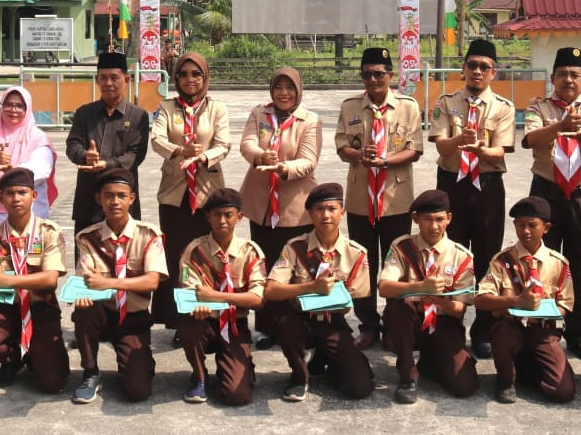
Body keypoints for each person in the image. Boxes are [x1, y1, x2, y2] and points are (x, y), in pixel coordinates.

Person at [428, 38, 516, 357]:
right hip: (452, 183)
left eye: (484, 67)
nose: (477, 71)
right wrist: (457, 142)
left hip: (488, 185)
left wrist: (480, 149)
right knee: (449, 255)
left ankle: (482, 329)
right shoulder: (446, 102)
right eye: (472, 65)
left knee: (486, 256)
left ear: (494, 73)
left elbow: (501, 150)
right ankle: (449, 325)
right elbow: (440, 145)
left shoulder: (504, 107)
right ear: (463, 69)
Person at [521, 45, 581, 362]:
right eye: (562, 74)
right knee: (541, 260)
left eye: (574, 74)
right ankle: (541, 330)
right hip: (546, 192)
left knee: (578, 264)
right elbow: (531, 139)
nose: (568, 80)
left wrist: (580, 132)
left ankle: (577, 335)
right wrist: (560, 126)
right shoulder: (538, 106)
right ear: (553, 79)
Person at [334, 46, 422, 350]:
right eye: (367, 74)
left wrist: (386, 160)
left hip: (396, 198)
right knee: (364, 263)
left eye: (379, 73)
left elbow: (415, 149)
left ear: (391, 75)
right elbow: (342, 147)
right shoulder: (350, 107)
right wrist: (360, 154)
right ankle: (369, 324)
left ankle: (397, 322)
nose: (373, 79)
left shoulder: (408, 106)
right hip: (361, 198)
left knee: (397, 262)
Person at [265, 183, 374, 403]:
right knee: (286, 325)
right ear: (310, 213)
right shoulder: (295, 247)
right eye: (319, 209)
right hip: (300, 320)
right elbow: (271, 291)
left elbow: (356, 297)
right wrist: (311, 287)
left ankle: (325, 360)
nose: (325, 215)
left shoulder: (356, 253)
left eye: (332, 209)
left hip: (333, 321)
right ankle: (298, 376)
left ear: (342, 213)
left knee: (360, 387)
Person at [237, 67, 320, 349]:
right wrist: (262, 155)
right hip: (261, 203)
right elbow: (246, 144)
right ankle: (266, 327)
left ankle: (299, 326)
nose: (284, 93)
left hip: (295, 205)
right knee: (265, 264)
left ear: (299, 90)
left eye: (290, 87)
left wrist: (283, 167)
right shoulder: (259, 114)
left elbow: (309, 159)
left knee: (297, 267)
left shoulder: (309, 120)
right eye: (279, 87)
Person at [0, 167, 71, 393]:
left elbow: (50, 280)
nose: (16, 198)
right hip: (6, 309)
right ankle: (13, 359)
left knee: (52, 383)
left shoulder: (49, 232)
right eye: (10, 193)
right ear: (0, 198)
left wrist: (6, 281)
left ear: (33, 196)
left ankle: (37, 353)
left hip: (41, 307)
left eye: (22, 192)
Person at [150, 52, 231, 333]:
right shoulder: (166, 107)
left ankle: (207, 313)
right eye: (184, 74)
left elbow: (224, 144)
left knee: (206, 254)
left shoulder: (216, 108)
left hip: (207, 192)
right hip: (174, 194)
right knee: (176, 255)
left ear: (205, 77)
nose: (190, 80)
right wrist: (180, 151)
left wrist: (204, 156)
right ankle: (177, 318)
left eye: (196, 74)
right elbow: (157, 139)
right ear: (176, 78)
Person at [70, 168, 166, 404]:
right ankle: (91, 372)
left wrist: (108, 283)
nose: (115, 201)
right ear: (98, 199)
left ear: (132, 199)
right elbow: (87, 280)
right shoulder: (87, 238)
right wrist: (86, 294)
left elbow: (152, 281)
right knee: (85, 310)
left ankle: (138, 361)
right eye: (109, 195)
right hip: (102, 313)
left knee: (137, 391)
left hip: (133, 317)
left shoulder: (149, 235)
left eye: (122, 196)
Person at [378, 189, 478, 404]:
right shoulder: (402, 247)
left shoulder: (461, 255)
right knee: (397, 308)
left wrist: (440, 301)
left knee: (465, 386)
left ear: (449, 219)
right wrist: (420, 287)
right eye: (427, 219)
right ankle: (407, 375)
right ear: (415, 219)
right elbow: (384, 287)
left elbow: (460, 309)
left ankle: (432, 360)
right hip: (412, 322)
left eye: (440, 219)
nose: (434, 226)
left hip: (444, 323)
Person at [475, 196, 576, 404]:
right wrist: (516, 302)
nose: (526, 231)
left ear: (546, 227)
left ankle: (522, 368)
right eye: (520, 225)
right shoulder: (502, 261)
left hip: (543, 331)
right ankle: (505, 380)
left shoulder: (558, 263)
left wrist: (547, 311)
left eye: (532, 225)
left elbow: (565, 305)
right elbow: (481, 299)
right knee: (502, 332)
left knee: (563, 391)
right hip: (511, 327)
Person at [175, 188, 266, 405]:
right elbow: (187, 293)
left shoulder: (250, 252)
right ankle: (199, 376)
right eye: (216, 214)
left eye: (229, 214)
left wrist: (214, 296)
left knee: (237, 396)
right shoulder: (194, 250)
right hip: (203, 321)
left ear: (240, 217)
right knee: (189, 328)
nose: (222, 220)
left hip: (235, 324)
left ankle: (241, 367)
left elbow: (258, 299)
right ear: (208, 217)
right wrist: (197, 306)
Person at [0, 86, 58, 256]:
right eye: (8, 105)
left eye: (19, 106)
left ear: (27, 108)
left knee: (29, 265)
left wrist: (13, 172)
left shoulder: (38, 138)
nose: (13, 110)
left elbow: (43, 167)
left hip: (27, 211)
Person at [66, 53, 149, 232]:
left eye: (114, 78)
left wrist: (107, 164)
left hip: (122, 200)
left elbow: (136, 155)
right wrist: (85, 156)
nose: (108, 83)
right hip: (89, 197)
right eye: (103, 78)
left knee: (125, 256)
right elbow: (72, 146)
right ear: (97, 80)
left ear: (126, 79)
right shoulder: (84, 113)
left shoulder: (138, 116)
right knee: (86, 253)